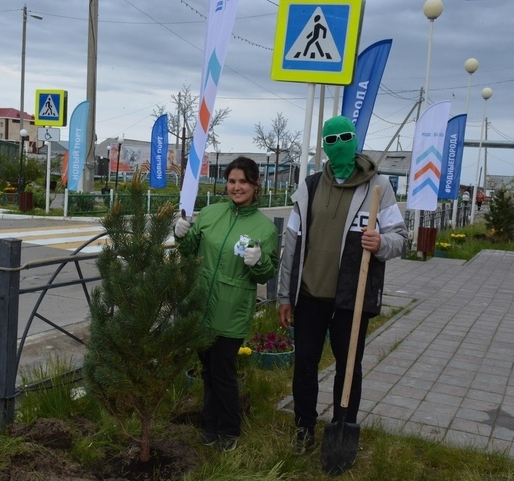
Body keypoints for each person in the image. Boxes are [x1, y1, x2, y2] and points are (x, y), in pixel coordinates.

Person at [278, 116, 408, 455]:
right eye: (331, 139)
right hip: (309, 295)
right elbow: (292, 242)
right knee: (305, 363)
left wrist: (380, 243)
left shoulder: (378, 186)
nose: (339, 144)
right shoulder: (309, 187)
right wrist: (284, 295)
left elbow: (400, 238)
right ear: (323, 145)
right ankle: (304, 427)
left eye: (346, 137)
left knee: (349, 365)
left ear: (356, 140)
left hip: (352, 296)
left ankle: (341, 425)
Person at [175, 156, 279, 452]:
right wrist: (180, 233)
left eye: (243, 182)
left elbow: (268, 270)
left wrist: (259, 263)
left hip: (232, 310)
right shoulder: (210, 213)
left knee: (223, 371)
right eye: (232, 181)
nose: (237, 187)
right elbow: (190, 248)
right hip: (200, 303)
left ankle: (230, 431)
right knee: (206, 369)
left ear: (256, 185)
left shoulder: (265, 228)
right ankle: (210, 425)